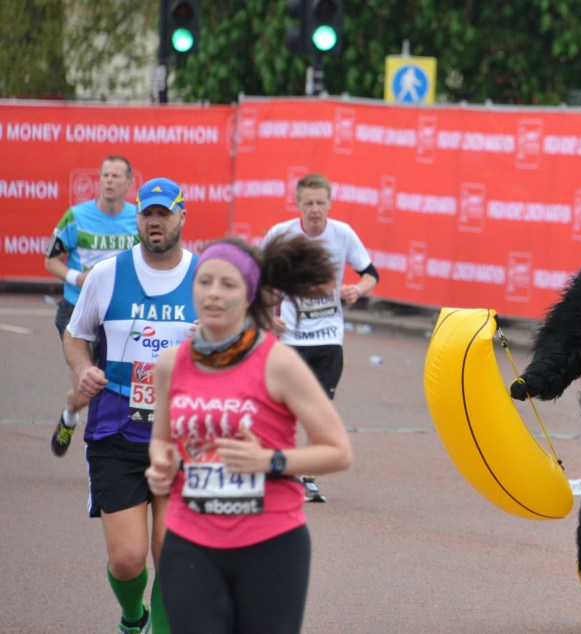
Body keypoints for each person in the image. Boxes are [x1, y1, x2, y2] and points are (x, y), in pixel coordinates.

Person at [145, 236, 352, 633]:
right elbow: (161, 439)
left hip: (269, 544)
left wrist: (270, 460)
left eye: (228, 284)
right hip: (190, 541)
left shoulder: (278, 362)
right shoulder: (171, 363)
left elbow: (339, 451)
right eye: (204, 282)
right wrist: (160, 463)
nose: (213, 294)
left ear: (249, 296)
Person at [64, 177, 197, 634]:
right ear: (137, 219)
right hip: (116, 430)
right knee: (126, 559)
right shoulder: (107, 274)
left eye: (164, 214)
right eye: (147, 214)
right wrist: (83, 367)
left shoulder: (206, 278)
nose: (155, 222)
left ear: (182, 216)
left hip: (182, 436)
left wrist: (216, 345)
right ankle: (132, 617)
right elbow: (76, 335)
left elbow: (240, 347)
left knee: (173, 558)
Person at [263, 173, 378, 502]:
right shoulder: (280, 234)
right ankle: (280, 470)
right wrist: (268, 317)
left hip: (328, 337)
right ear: (297, 203)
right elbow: (261, 279)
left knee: (318, 409)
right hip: (290, 338)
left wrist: (357, 290)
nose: (314, 209)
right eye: (308, 203)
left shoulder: (343, 234)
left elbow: (371, 274)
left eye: (320, 203)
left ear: (329, 203)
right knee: (284, 409)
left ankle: (307, 478)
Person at [46, 155, 139, 457]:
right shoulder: (76, 217)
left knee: (120, 386)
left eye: (116, 176)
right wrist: (78, 278)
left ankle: (112, 453)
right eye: (105, 175)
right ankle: (69, 415)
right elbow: (51, 260)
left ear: (129, 183)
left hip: (118, 314)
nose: (109, 181)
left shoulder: (138, 219)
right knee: (85, 393)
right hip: (77, 311)